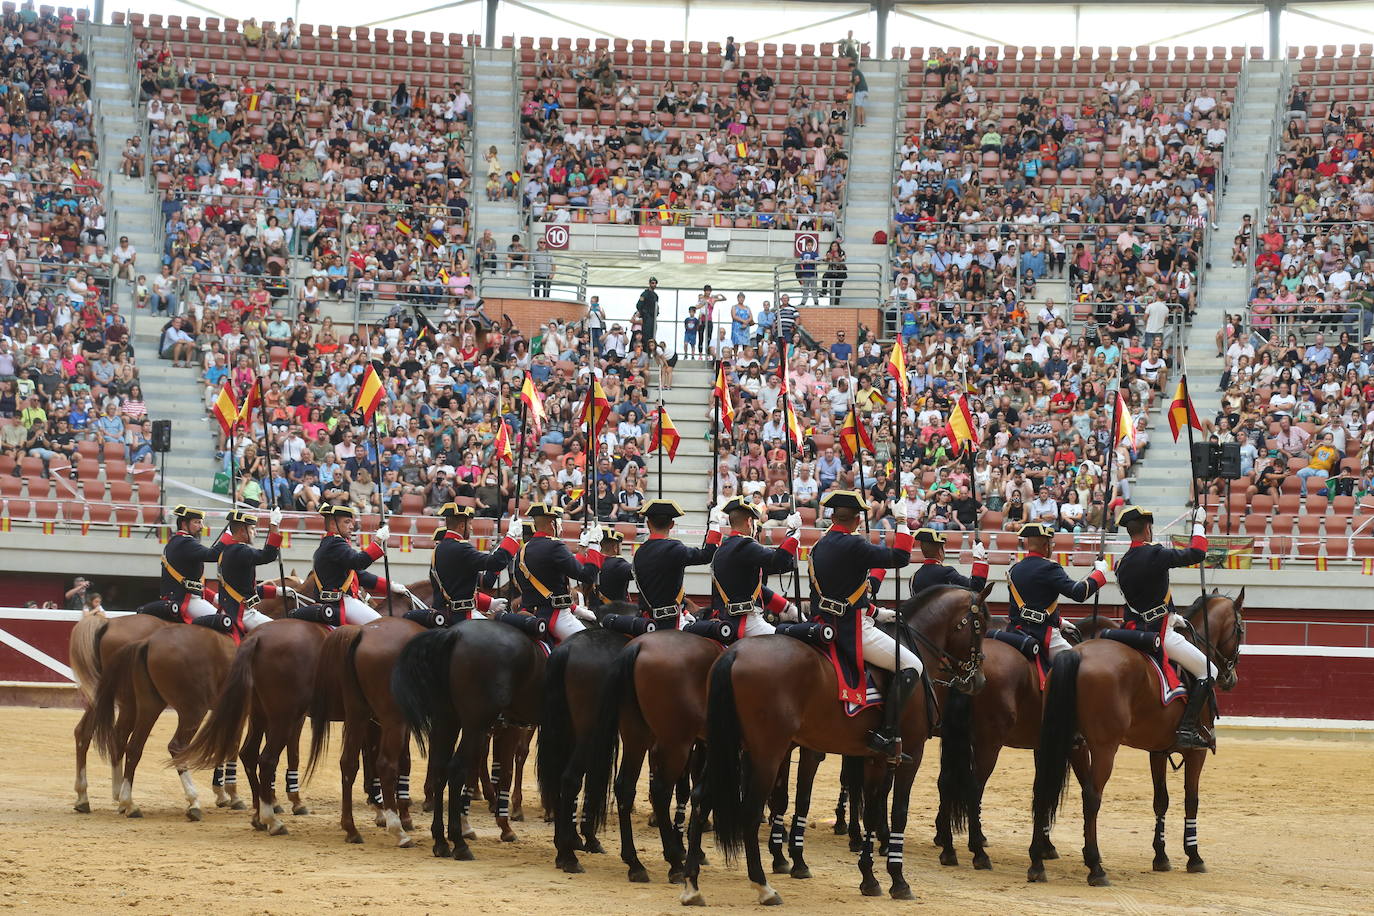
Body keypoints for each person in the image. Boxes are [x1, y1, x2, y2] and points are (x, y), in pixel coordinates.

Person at [806, 490, 918, 760]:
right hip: (852, 629)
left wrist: (877, 612)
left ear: (832, 516)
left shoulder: (817, 546)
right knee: (913, 665)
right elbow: (901, 557)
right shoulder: (854, 546)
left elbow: (834, 595)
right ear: (857, 520)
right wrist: (902, 522)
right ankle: (887, 734)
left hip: (822, 624)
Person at [1114, 505, 1218, 749]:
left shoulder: (1121, 563)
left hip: (1133, 631)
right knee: (1209, 671)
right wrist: (1199, 525)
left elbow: (1138, 603)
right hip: (1159, 633)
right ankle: (1187, 729)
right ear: (1148, 529)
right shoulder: (1156, 554)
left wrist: (1173, 615)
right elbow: (1197, 553)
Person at [1006, 522, 1107, 658]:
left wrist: (1058, 621)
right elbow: (1079, 593)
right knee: (1077, 663)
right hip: (1042, 633)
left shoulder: (1014, 569)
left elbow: (1028, 604)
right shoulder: (1049, 567)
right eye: (1051, 545)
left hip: (1015, 633)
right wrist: (1099, 573)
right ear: (1045, 546)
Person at [706, 495, 800, 639]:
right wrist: (791, 534)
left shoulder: (722, 549)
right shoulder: (745, 545)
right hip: (747, 622)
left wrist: (787, 607)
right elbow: (778, 561)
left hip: (725, 620)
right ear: (750, 522)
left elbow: (763, 582)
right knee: (793, 643)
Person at [512, 503, 603, 644]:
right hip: (555, 615)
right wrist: (594, 544)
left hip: (528, 614)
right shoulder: (555, 545)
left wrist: (576, 609)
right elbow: (587, 575)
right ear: (552, 524)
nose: (561, 529)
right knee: (593, 645)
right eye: (559, 524)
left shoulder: (522, 551)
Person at [632, 499, 722, 628]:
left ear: (648, 524)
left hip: (645, 622)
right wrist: (714, 524)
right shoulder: (674, 548)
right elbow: (708, 555)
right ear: (672, 524)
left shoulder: (639, 552)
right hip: (671, 622)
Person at [310, 503, 404, 625]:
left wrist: (389, 586)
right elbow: (358, 562)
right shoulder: (335, 543)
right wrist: (377, 541)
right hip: (340, 601)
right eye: (347, 522)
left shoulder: (330, 543)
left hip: (338, 600)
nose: (352, 526)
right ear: (333, 524)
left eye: (352, 522)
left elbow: (359, 575)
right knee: (381, 625)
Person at [425, 502, 516, 625]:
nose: (471, 528)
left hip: (443, 616)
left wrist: (489, 603)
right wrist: (511, 537)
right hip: (461, 617)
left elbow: (460, 586)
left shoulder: (439, 549)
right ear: (462, 526)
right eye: (470, 524)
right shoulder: (462, 548)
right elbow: (496, 562)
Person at [139, 505, 227, 624]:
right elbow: (213, 555)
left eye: (201, 523)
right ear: (184, 524)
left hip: (183, 596)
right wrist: (228, 536)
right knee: (225, 622)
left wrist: (215, 597)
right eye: (197, 522)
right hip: (186, 600)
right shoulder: (186, 542)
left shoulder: (176, 541)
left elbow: (192, 583)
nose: (201, 527)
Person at [214, 508, 285, 635]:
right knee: (280, 632)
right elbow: (268, 555)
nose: (255, 533)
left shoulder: (228, 550)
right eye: (252, 529)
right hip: (241, 612)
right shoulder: (240, 551)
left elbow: (244, 589)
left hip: (230, 608)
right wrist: (274, 526)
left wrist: (276, 591)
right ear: (242, 530)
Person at [908, 528, 989, 594]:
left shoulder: (914, 577)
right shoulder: (946, 572)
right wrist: (977, 558)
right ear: (940, 551)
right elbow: (975, 588)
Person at [587, 528, 633, 604]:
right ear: (615, 548)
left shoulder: (590, 563)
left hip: (592, 612)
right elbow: (637, 572)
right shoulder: (617, 563)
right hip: (614, 612)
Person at [635, 277, 659, 346]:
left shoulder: (655, 295)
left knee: (652, 335)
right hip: (647, 317)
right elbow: (639, 305)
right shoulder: (645, 294)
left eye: (655, 283)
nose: (654, 285)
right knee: (646, 335)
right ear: (649, 283)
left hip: (653, 318)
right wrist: (643, 313)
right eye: (652, 283)